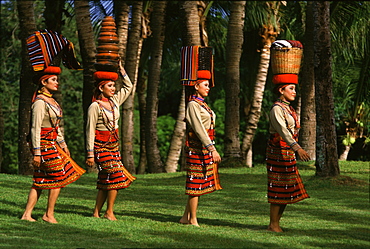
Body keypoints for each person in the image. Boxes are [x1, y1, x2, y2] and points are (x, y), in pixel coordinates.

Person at [21, 66, 85, 224]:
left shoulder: (52, 101)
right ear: (44, 82)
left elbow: (55, 126)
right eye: (53, 80)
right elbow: (35, 128)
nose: (57, 83)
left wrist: (62, 143)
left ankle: (27, 214)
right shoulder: (39, 103)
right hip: (43, 145)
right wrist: (36, 152)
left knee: (40, 179)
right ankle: (48, 214)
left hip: (52, 143)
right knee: (59, 176)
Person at [85, 62, 136, 221]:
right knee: (117, 175)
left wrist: (122, 71)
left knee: (105, 179)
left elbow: (129, 87)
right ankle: (109, 212)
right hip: (100, 147)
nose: (114, 89)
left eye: (114, 85)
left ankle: (96, 213)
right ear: (101, 88)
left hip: (114, 146)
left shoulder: (114, 101)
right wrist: (90, 154)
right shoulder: (95, 106)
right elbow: (90, 130)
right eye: (110, 86)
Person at [266, 83, 310, 232]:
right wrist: (297, 147)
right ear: (281, 90)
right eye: (291, 88)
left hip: (287, 150)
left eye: (295, 89)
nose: (294, 92)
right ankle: (273, 223)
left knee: (287, 187)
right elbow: (283, 131)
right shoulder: (276, 109)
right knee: (278, 186)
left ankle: (275, 223)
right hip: (278, 151)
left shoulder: (289, 108)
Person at [179, 79, 222, 227]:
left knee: (198, 182)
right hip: (196, 148)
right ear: (196, 86)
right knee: (195, 183)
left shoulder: (202, 104)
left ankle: (186, 216)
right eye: (205, 85)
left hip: (203, 147)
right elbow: (198, 129)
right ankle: (193, 219)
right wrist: (212, 149)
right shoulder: (193, 105)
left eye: (209, 85)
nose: (208, 88)